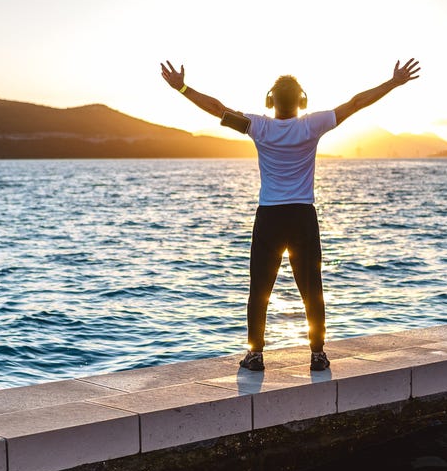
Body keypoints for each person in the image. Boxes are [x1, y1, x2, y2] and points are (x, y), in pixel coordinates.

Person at [160, 58, 421, 371]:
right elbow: (356, 103)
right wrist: (393, 82)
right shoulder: (312, 125)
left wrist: (182, 88)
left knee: (259, 289)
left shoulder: (259, 126)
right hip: (302, 217)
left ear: (270, 101)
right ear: (302, 101)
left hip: (269, 217)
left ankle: (255, 355)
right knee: (312, 289)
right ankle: (317, 355)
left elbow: (217, 108)